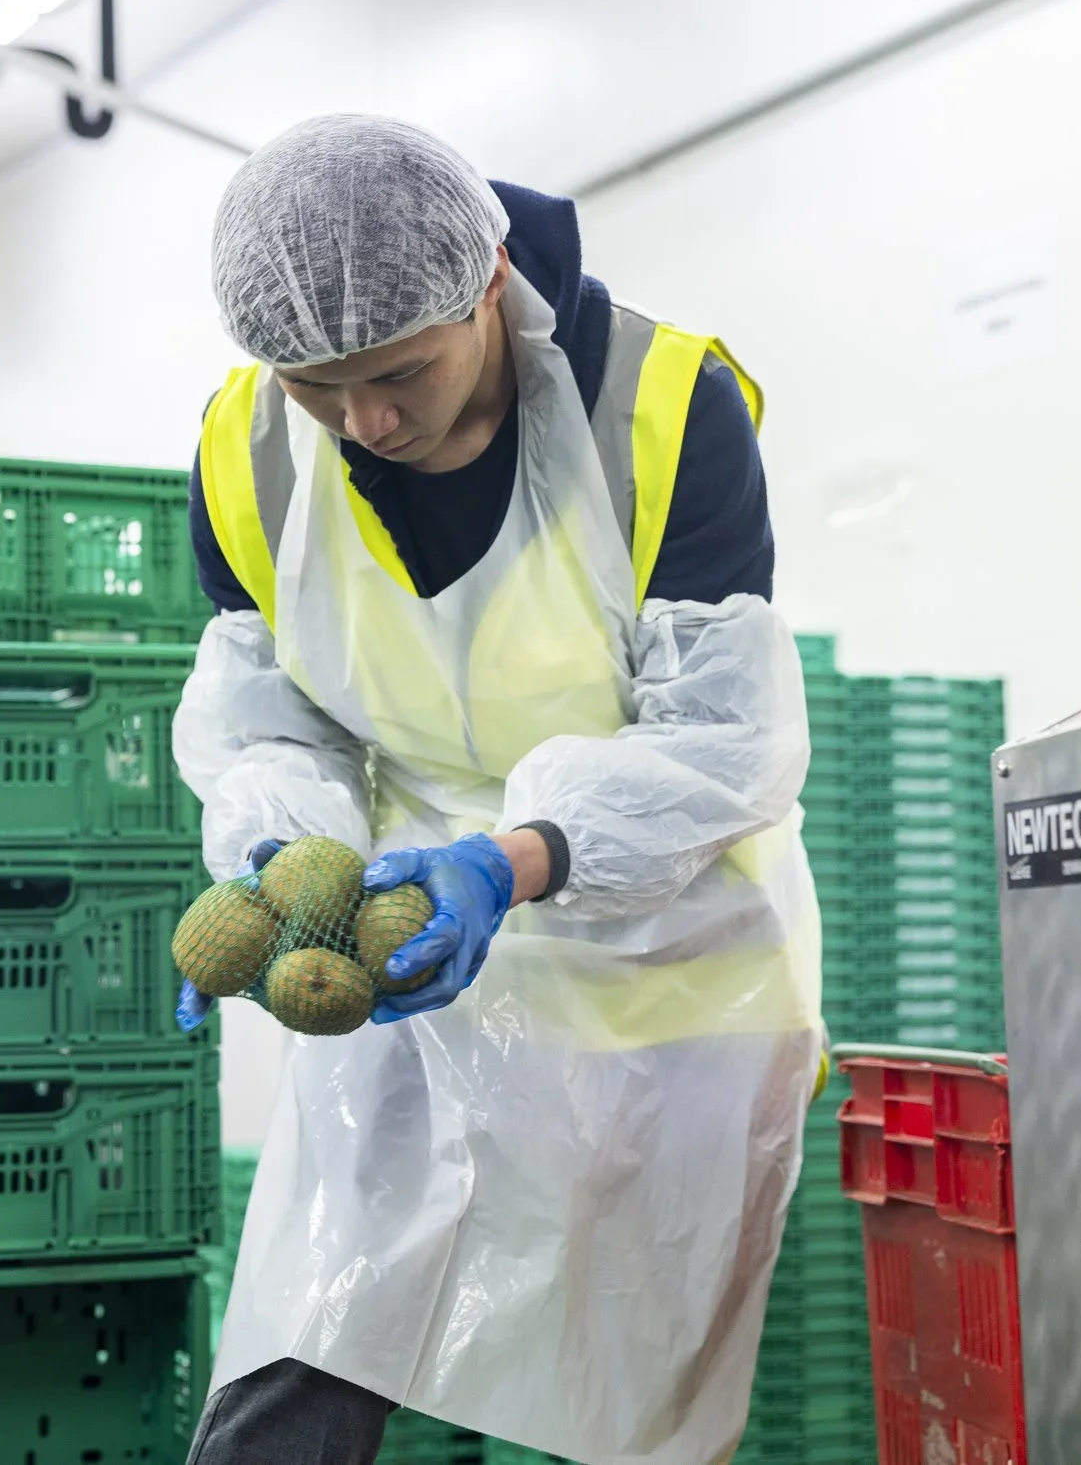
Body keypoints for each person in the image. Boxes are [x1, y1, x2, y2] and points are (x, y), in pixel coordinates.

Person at [170, 114, 823, 1465]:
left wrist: (513, 860)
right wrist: (283, 866)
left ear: (483, 284)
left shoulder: (660, 400)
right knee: (318, 1317)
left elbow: (723, 734)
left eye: (398, 374)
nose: (366, 422)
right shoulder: (248, 449)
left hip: (669, 964)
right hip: (413, 945)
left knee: (627, 1374)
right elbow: (269, 720)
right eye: (316, 387)